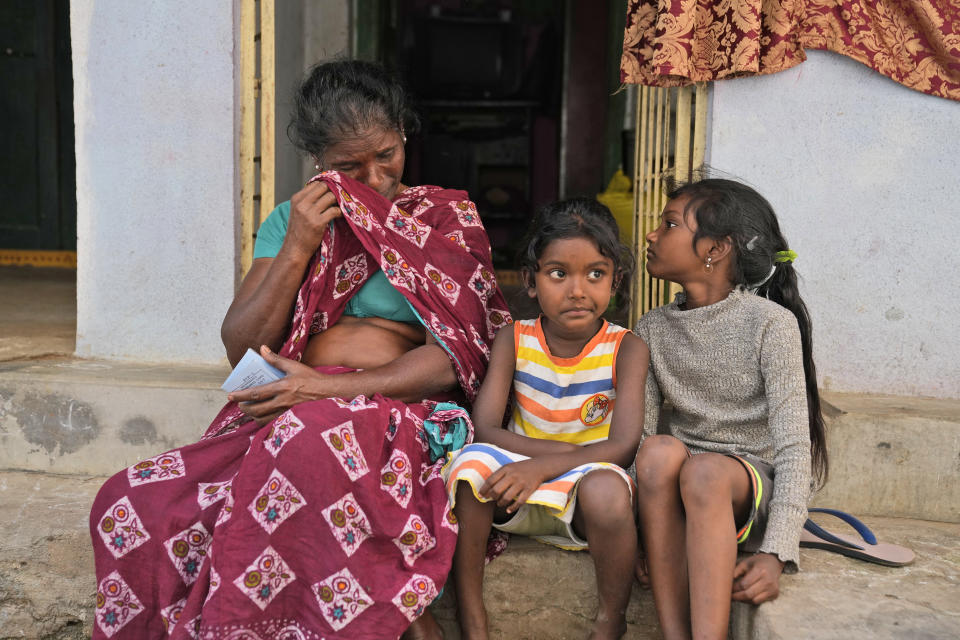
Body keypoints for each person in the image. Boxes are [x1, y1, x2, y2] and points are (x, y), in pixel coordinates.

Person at [88, 60, 511, 640]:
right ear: (317, 161)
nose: (375, 177)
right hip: (289, 408)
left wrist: (321, 387)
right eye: (348, 165)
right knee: (132, 502)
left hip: (394, 412)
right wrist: (297, 246)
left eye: (386, 154)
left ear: (404, 136)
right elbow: (241, 347)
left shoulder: (443, 221)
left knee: (305, 442)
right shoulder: (293, 221)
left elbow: (457, 357)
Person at [442, 198, 649, 640]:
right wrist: (537, 465)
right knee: (470, 466)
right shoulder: (513, 339)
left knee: (609, 489)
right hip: (513, 487)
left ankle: (610, 619)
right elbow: (487, 428)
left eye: (596, 274)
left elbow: (623, 445)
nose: (578, 290)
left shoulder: (627, 347)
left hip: (583, 495)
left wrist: (545, 465)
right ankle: (471, 612)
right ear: (531, 281)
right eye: (559, 273)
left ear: (616, 281)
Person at [632, 178, 829, 640]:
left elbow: (795, 449)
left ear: (715, 249)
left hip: (745, 488)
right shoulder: (651, 328)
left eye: (670, 224)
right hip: (679, 491)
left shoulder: (770, 325)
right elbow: (639, 442)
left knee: (705, 472)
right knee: (658, 451)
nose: (651, 234)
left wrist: (778, 551)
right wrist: (645, 538)